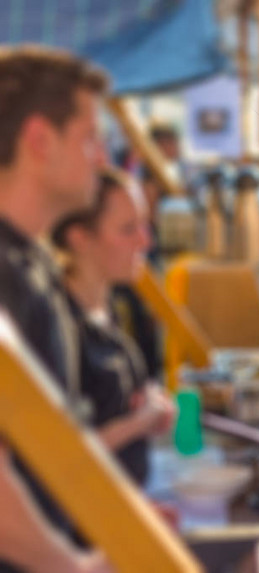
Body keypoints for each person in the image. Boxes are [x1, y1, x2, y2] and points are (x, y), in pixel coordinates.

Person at [0, 46, 112, 572]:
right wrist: (71, 565)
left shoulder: (33, 259)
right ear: (40, 140)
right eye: (90, 139)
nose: (103, 159)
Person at [51, 170, 175, 486]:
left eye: (145, 225)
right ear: (80, 238)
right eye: (128, 229)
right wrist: (138, 423)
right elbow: (56, 456)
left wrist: (148, 402)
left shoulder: (110, 305)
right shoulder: (57, 325)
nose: (146, 240)